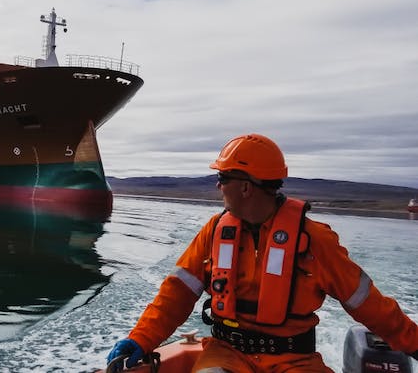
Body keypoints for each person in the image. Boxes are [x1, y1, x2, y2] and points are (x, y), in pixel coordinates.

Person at [107, 133, 418, 372]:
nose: (218, 186)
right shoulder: (214, 232)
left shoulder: (315, 240)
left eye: (223, 178)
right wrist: (140, 339)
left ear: (246, 188)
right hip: (225, 354)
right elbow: (175, 295)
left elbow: (369, 305)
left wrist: (414, 343)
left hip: (295, 361)